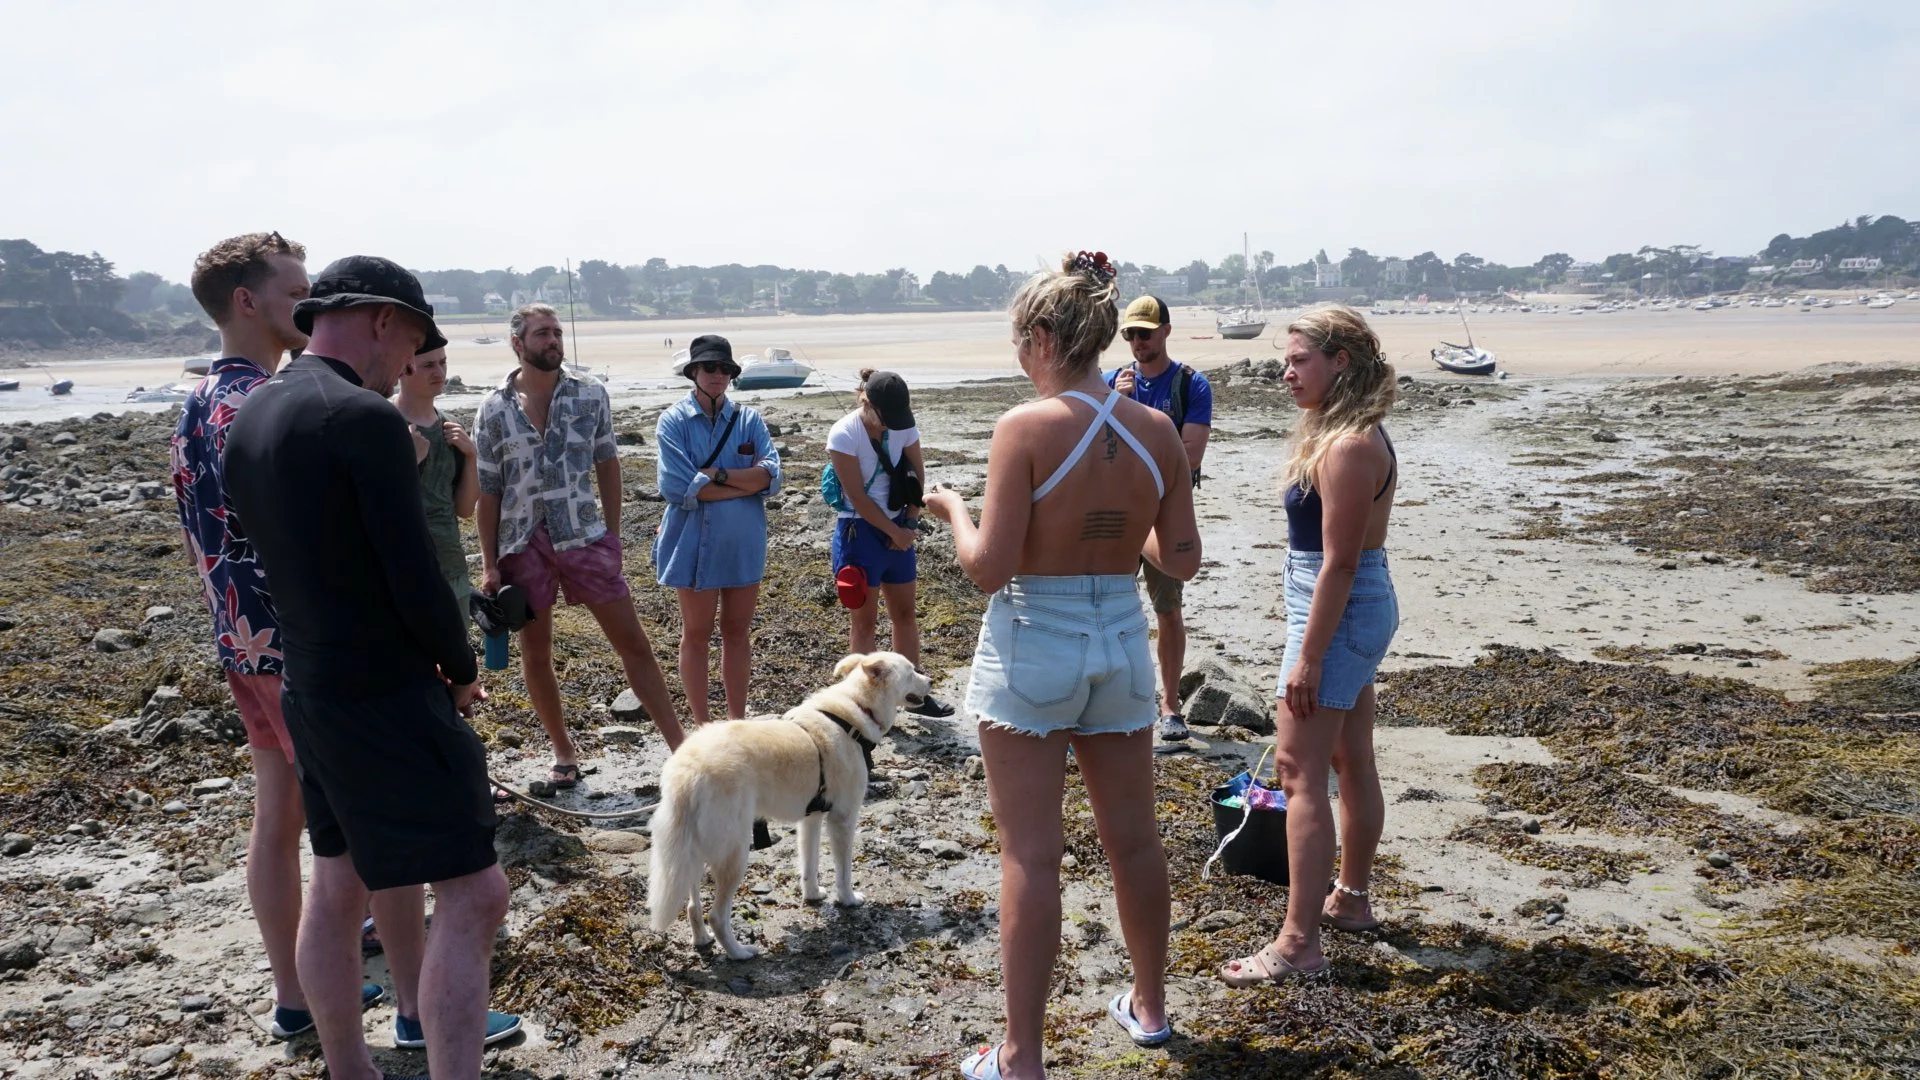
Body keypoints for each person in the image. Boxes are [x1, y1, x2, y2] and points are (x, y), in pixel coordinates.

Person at [224, 256, 510, 1080]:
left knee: (340, 877)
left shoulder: (255, 416)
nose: (404, 362)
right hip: (384, 688)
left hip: (309, 682)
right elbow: (410, 568)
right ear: (383, 319)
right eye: (413, 339)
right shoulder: (363, 419)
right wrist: (457, 664)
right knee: (475, 892)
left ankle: (350, 1069)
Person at [923, 251, 1200, 1080]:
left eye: (1020, 339)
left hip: (1034, 637)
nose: (1020, 355)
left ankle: (1022, 1057)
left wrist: (952, 508)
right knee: (1136, 843)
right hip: (1120, 634)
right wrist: (1123, 524)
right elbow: (1180, 559)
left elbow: (988, 567)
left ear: (1044, 337)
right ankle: (1149, 1010)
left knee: (1031, 856)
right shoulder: (1155, 430)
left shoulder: (1025, 427)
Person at [170, 232, 389, 1038]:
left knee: (277, 818)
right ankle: (381, 1001)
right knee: (353, 823)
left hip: (239, 641)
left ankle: (292, 993)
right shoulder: (258, 403)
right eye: (298, 291)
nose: (313, 304)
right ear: (247, 302)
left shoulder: (195, 402)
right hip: (299, 646)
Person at [1217, 305, 1399, 987]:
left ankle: (1299, 943)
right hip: (1342, 605)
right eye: (1285, 360)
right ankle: (1349, 901)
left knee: (1299, 772)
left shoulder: (1350, 444)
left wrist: (1309, 656)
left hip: (1341, 610)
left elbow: (1341, 564)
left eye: (1299, 359)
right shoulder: (1335, 431)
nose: (1285, 370)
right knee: (1350, 756)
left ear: (1340, 361)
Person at [474, 303, 684, 785]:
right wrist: (489, 564)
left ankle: (680, 746)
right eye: (542, 334)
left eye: (556, 333)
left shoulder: (590, 395)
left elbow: (609, 465)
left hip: (584, 537)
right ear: (518, 343)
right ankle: (563, 752)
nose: (552, 341)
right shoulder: (494, 407)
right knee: (536, 652)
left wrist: (611, 536)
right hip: (522, 544)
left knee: (634, 642)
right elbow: (489, 491)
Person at [653, 334, 781, 725]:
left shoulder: (750, 419)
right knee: (696, 633)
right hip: (691, 542)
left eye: (724, 368)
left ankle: (737, 721)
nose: (717, 375)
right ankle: (702, 724)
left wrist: (716, 476)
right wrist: (744, 483)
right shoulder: (673, 421)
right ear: (693, 372)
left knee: (738, 632)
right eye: (709, 367)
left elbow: (773, 477)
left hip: (744, 542)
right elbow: (676, 487)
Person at [1106, 295, 1213, 742]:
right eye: (1129, 334)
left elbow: (1189, 457)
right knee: (1107, 609)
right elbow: (1095, 451)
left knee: (1167, 610)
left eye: (1145, 333)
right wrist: (1115, 403)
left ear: (1166, 331)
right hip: (1113, 515)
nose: (1137, 342)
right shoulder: (1112, 383)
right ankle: (1115, 700)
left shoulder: (1191, 385)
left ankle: (1170, 707)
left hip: (1165, 516)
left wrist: (1132, 418)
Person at [825, 369, 953, 718]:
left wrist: (909, 521)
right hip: (858, 532)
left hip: (899, 527)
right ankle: (861, 705)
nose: (890, 426)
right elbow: (858, 498)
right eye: (884, 418)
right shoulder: (843, 434)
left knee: (905, 614)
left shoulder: (903, 425)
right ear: (866, 402)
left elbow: (916, 475)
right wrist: (894, 533)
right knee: (864, 624)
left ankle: (915, 695)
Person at [393, 346, 479, 607]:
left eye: (443, 362)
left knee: (456, 648)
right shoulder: (382, 422)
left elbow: (464, 509)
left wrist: (472, 457)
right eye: (428, 365)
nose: (440, 372)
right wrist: (408, 462)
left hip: (451, 569)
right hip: (401, 574)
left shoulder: (450, 427)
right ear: (402, 367)